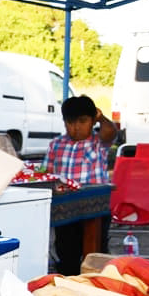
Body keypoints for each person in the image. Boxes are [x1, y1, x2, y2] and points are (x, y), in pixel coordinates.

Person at [46, 94, 118, 274]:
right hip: (65, 212)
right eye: (70, 122)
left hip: (95, 210)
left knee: (94, 256)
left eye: (83, 121)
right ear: (64, 122)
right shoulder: (56, 144)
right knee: (66, 253)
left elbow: (111, 131)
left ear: (93, 121)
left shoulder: (98, 142)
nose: (76, 127)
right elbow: (47, 174)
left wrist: (100, 117)